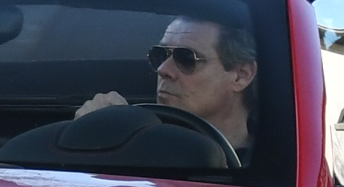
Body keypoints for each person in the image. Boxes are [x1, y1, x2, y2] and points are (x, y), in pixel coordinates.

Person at [75, 16, 258, 161]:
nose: (163, 69)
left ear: (241, 75)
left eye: (186, 59)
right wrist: (92, 135)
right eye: (160, 54)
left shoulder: (276, 165)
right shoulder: (131, 141)